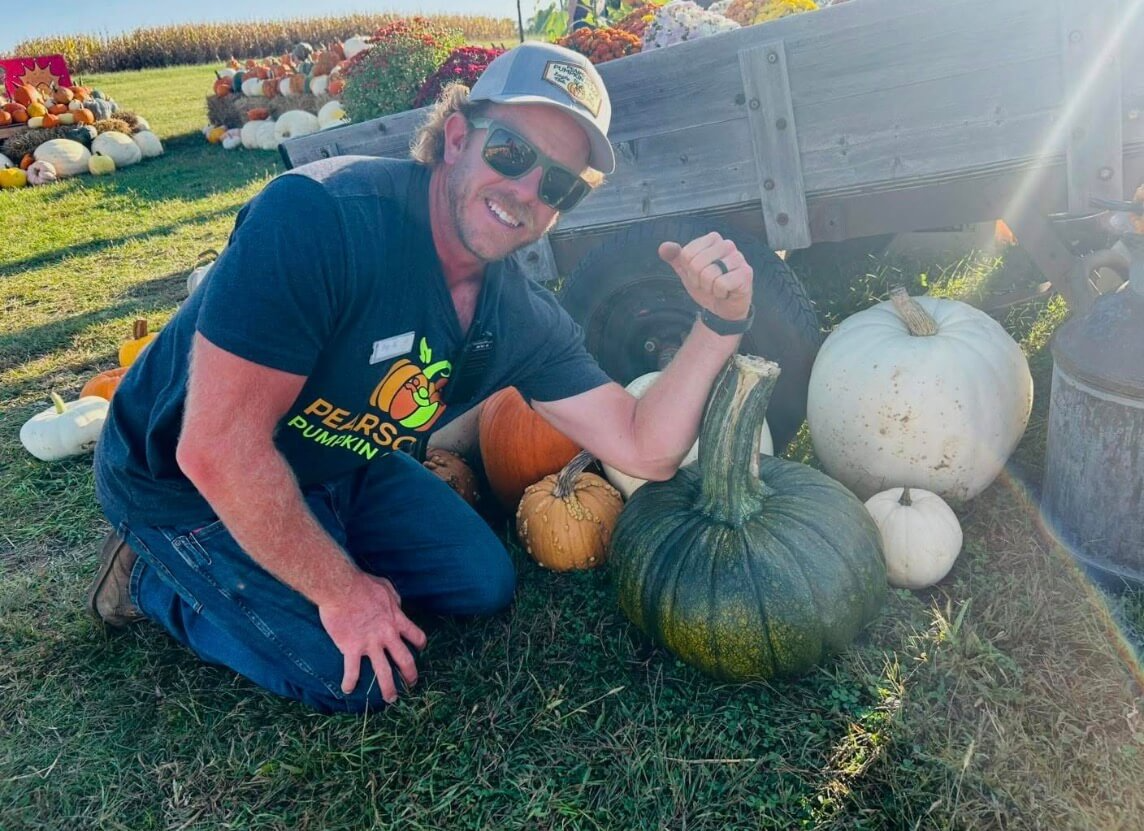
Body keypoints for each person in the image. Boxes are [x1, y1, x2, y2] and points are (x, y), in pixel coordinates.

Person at [87, 41, 755, 714]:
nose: (526, 191)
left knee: (481, 581)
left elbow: (646, 445)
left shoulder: (515, 314)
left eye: (557, 185)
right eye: (511, 153)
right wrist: (343, 591)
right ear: (458, 136)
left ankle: (311, 528)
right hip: (182, 481)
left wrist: (718, 324)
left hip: (333, 463)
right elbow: (218, 448)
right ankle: (149, 575)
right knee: (349, 676)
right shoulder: (319, 220)